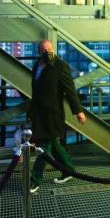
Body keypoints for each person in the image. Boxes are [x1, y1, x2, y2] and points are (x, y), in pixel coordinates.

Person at [29, 40, 86, 193]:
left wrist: (78, 111)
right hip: (40, 113)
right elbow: (36, 92)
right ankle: (69, 170)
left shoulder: (60, 66)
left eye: (50, 49)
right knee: (53, 144)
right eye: (44, 50)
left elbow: (70, 90)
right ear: (39, 51)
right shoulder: (37, 66)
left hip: (53, 114)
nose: (48, 52)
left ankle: (35, 180)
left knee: (44, 147)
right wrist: (31, 111)